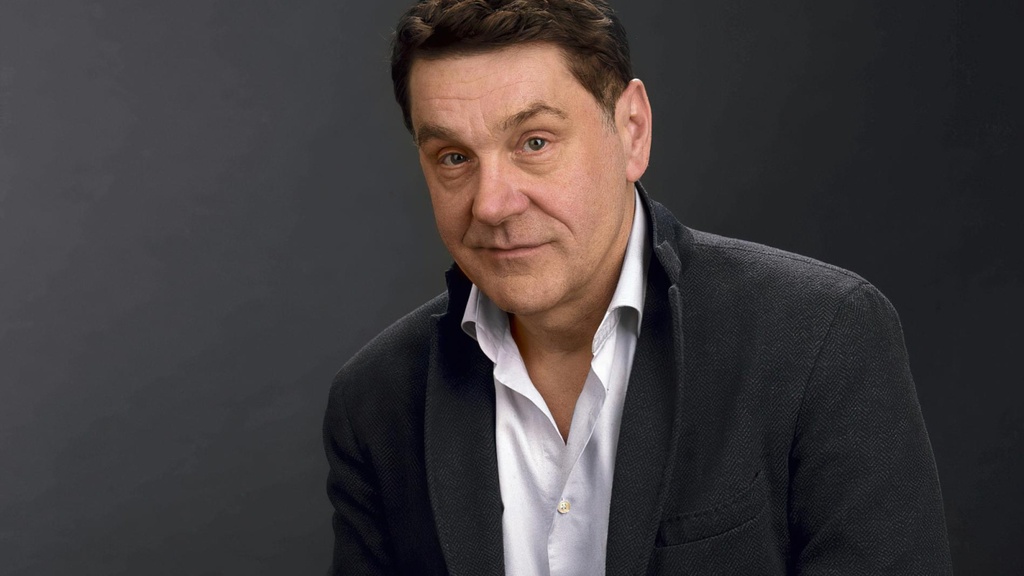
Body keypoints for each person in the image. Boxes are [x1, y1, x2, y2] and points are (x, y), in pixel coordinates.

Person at [322, 0, 953, 574]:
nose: (491, 204)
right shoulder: (376, 401)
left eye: (534, 142)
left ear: (632, 130)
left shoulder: (817, 337)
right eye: (454, 158)